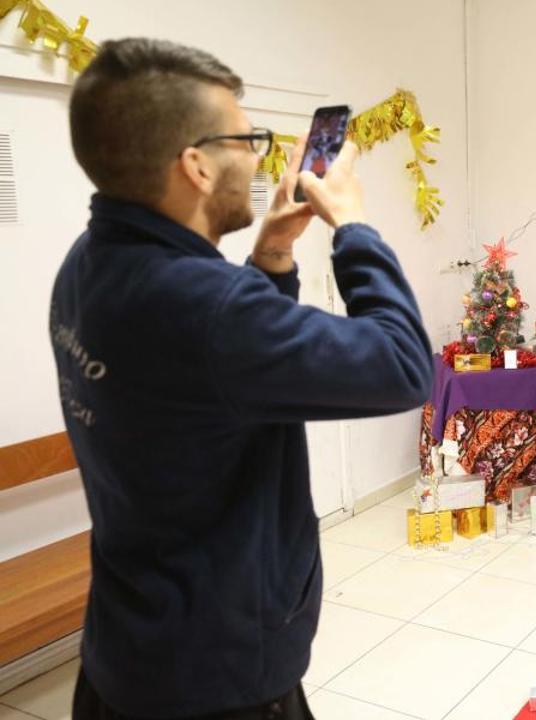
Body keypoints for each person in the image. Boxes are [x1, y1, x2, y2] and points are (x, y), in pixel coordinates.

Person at [53, 38, 433, 719]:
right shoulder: (209, 308)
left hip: (128, 652)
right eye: (247, 139)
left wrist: (273, 252)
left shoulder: (90, 262)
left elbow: (221, 374)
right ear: (196, 165)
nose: (260, 158)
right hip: (217, 681)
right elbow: (403, 365)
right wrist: (353, 226)